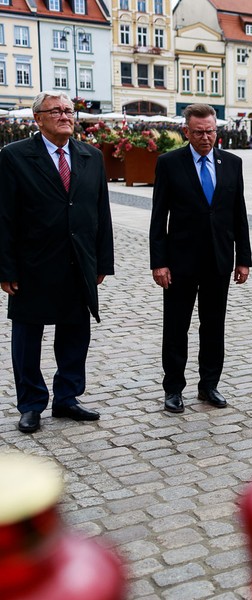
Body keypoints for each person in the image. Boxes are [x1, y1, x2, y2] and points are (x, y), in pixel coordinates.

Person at [0, 91, 114, 434]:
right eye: (57, 111)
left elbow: (101, 212)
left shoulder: (90, 156)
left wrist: (102, 261)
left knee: (75, 334)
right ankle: (31, 404)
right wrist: (5, 269)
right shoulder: (14, 156)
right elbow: (3, 216)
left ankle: (67, 397)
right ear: (38, 119)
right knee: (27, 338)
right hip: (32, 264)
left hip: (78, 262)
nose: (65, 115)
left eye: (68, 110)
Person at [149, 103, 252, 413]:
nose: (206, 137)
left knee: (213, 326)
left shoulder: (231, 163)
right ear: (187, 132)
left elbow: (238, 215)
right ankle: (173, 389)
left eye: (210, 131)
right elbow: (158, 217)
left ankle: (209, 385)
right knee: (176, 327)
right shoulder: (169, 163)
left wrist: (243, 258)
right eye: (199, 132)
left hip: (218, 261)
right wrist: (159, 262)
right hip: (180, 262)